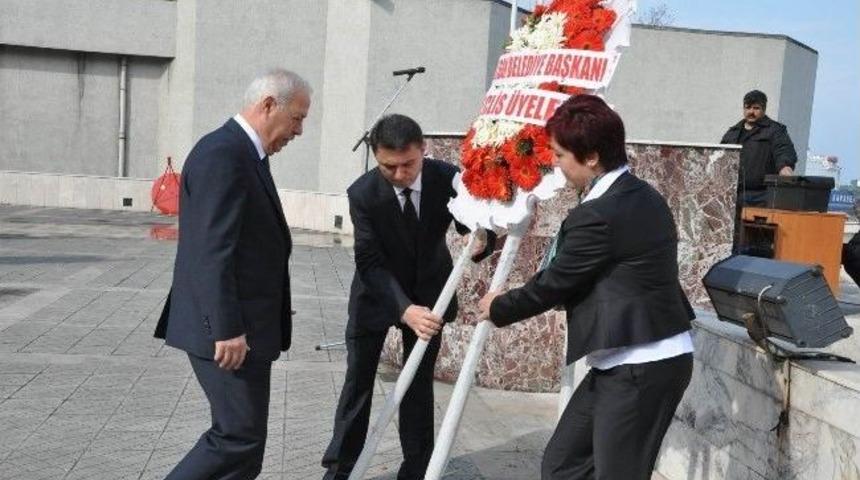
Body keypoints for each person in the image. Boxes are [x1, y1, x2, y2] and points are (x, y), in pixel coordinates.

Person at [478, 95, 695, 480]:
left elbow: (554, 283)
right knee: (563, 465)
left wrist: (498, 307)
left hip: (642, 363)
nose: (557, 166)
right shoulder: (638, 194)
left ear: (591, 157)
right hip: (622, 360)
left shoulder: (600, 213)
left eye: (561, 156)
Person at [154, 68, 311, 479]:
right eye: (297, 118)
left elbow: (246, 246)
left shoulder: (246, 155)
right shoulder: (224, 154)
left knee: (247, 448)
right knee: (236, 437)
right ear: (268, 105)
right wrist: (226, 327)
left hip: (246, 328)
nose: (299, 131)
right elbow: (211, 250)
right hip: (225, 334)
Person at [321, 114, 494, 480]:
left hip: (431, 294)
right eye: (389, 167)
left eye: (408, 165)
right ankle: (341, 471)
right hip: (377, 297)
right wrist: (404, 309)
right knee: (358, 386)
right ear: (375, 157)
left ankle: (417, 469)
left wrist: (480, 241)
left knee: (418, 386)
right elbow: (368, 261)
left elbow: (473, 226)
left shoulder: (447, 178)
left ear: (423, 150)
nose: (400, 174)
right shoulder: (362, 194)